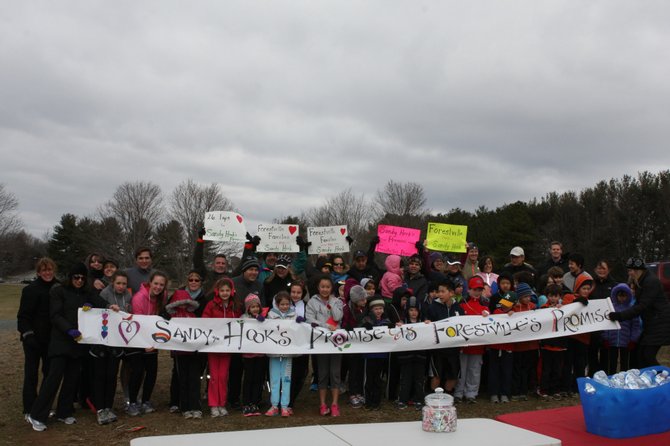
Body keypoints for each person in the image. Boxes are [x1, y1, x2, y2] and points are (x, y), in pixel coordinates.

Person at [27, 263, 117, 432]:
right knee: (53, 379)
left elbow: (99, 301)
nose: (79, 280)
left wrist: (108, 306)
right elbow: (55, 315)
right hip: (61, 342)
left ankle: (64, 411)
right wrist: (69, 329)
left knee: (71, 379)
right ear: (70, 277)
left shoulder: (86, 292)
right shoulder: (58, 291)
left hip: (78, 344)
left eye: (83, 278)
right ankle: (37, 415)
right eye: (76, 277)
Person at [608, 257, 670, 367]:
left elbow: (642, 306)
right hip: (652, 324)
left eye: (630, 270)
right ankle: (650, 380)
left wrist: (620, 316)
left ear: (638, 270)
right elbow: (638, 305)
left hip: (660, 324)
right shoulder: (642, 281)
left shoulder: (650, 282)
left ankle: (664, 378)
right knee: (640, 355)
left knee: (647, 356)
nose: (629, 273)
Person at [17, 258, 58, 420]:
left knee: (49, 375)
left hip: (51, 340)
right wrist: (28, 334)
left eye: (50, 270)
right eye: (44, 270)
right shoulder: (30, 290)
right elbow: (23, 316)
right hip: (33, 340)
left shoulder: (58, 288)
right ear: (39, 272)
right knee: (31, 375)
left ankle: (43, 407)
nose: (47, 273)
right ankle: (29, 408)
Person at [91, 271, 132, 424]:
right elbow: (97, 312)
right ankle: (100, 409)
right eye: (118, 283)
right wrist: (108, 307)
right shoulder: (104, 293)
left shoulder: (128, 296)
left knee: (111, 376)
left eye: (124, 284)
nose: (121, 286)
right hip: (101, 342)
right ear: (112, 283)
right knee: (100, 376)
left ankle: (109, 406)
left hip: (117, 342)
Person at [127, 270, 168, 416]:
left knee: (152, 371)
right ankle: (132, 402)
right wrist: (144, 344)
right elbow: (139, 324)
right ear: (150, 282)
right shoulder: (139, 298)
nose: (158, 287)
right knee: (137, 372)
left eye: (161, 285)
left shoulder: (161, 298)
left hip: (152, 340)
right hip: (137, 340)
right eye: (156, 283)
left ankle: (145, 401)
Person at [305, 275, 344, 416]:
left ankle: (334, 404)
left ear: (331, 288)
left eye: (328, 287)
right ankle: (322, 404)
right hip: (320, 342)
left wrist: (331, 304)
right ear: (318, 287)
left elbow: (338, 317)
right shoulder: (312, 302)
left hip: (335, 342)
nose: (325, 289)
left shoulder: (337, 301)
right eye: (322, 286)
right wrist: (325, 326)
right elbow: (309, 319)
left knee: (335, 373)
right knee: (322, 373)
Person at [202, 277, 241, 417]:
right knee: (214, 376)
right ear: (217, 291)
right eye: (222, 290)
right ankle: (213, 404)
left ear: (232, 291)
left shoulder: (235, 306)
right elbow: (205, 321)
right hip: (213, 346)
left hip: (227, 347)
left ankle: (222, 403)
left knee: (223, 376)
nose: (224, 293)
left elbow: (239, 323)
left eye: (227, 290)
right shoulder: (211, 305)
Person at [164, 276, 201, 419]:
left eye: (186, 303)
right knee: (182, 380)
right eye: (180, 303)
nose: (183, 306)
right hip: (180, 354)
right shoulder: (172, 317)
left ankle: (195, 406)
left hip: (193, 352)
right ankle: (185, 407)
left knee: (194, 379)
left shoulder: (193, 316)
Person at [454, 276, 490, 403]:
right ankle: (458, 393)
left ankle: (471, 394)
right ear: (469, 289)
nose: (477, 292)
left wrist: (488, 317)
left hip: (478, 345)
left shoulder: (486, 304)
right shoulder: (461, 303)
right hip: (463, 345)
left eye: (480, 289)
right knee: (461, 370)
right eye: (475, 289)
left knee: (474, 370)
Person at [425, 279, 462, 394]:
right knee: (437, 375)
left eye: (442, 291)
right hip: (438, 349)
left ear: (451, 293)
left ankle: (448, 397)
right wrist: (426, 322)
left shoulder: (458, 308)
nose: (439, 294)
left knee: (452, 375)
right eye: (438, 292)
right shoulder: (432, 307)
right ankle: (433, 398)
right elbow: (426, 323)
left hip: (453, 349)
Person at [265, 291, 298, 417]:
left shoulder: (293, 315)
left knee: (286, 379)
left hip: (287, 352)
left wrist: (300, 322)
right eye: (282, 304)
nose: (285, 307)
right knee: (274, 379)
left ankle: (284, 406)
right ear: (277, 304)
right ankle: (274, 405)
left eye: (287, 304)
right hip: (274, 352)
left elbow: (297, 331)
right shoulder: (271, 315)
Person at [601, 283, 641, 374]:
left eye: (624, 296)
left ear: (628, 296)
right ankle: (611, 378)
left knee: (624, 364)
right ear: (616, 295)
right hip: (612, 341)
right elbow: (606, 324)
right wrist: (606, 338)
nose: (622, 298)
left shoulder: (631, 309)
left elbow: (636, 325)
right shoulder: (611, 308)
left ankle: (624, 379)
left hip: (626, 341)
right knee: (612, 363)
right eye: (620, 296)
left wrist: (633, 340)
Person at [360, 298, 392, 410]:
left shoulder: (387, 321)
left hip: (381, 355)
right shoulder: (366, 319)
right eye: (376, 308)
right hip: (369, 355)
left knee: (378, 379)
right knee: (369, 379)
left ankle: (376, 402)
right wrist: (365, 326)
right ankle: (368, 401)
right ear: (371, 309)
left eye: (380, 308)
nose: (378, 311)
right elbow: (359, 332)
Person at [538, 284, 568, 400]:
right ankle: (544, 389)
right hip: (547, 345)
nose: (553, 298)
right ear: (547, 296)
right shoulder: (543, 309)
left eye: (555, 296)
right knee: (546, 369)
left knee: (557, 369)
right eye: (551, 296)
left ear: (559, 296)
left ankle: (555, 389)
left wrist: (562, 308)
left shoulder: (565, 309)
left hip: (560, 345)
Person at [341, 285, 368, 409]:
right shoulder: (347, 309)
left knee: (360, 369)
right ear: (356, 299)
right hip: (351, 345)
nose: (365, 302)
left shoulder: (363, 309)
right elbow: (343, 324)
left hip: (362, 345)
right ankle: (352, 393)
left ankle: (359, 391)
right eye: (362, 299)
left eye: (365, 299)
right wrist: (349, 328)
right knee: (353, 369)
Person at [396, 296, 426, 409]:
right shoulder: (403, 323)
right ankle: (402, 400)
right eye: (411, 310)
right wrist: (398, 326)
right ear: (407, 311)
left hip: (420, 356)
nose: (414, 313)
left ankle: (419, 399)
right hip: (406, 357)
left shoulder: (423, 323)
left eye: (416, 310)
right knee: (405, 379)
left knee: (419, 379)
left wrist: (428, 324)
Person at [510, 283, 538, 401]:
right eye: (526, 296)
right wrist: (509, 314)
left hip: (531, 345)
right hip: (518, 345)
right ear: (520, 297)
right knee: (517, 369)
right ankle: (516, 391)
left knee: (527, 369)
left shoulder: (533, 307)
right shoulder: (514, 308)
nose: (528, 298)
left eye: (529, 296)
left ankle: (524, 391)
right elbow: (503, 311)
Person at [241, 294, 266, 416]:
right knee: (248, 379)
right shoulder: (243, 318)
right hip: (248, 355)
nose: (255, 309)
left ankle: (255, 402)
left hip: (260, 354)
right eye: (252, 307)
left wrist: (262, 321)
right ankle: (246, 403)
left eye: (257, 306)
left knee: (258, 379)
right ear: (248, 308)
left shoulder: (263, 319)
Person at [287, 280, 309, 414]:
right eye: (293, 292)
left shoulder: (305, 306)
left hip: (302, 345)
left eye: (298, 292)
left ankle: (291, 400)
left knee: (300, 373)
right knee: (287, 374)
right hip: (286, 344)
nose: (295, 295)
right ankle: (284, 400)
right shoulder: (282, 304)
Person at [193, 227, 230, 296]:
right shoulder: (206, 275)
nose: (220, 265)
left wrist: (249, 246)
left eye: (223, 263)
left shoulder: (231, 277)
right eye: (218, 263)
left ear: (226, 266)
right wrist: (200, 240)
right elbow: (197, 261)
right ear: (213, 265)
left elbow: (242, 267)